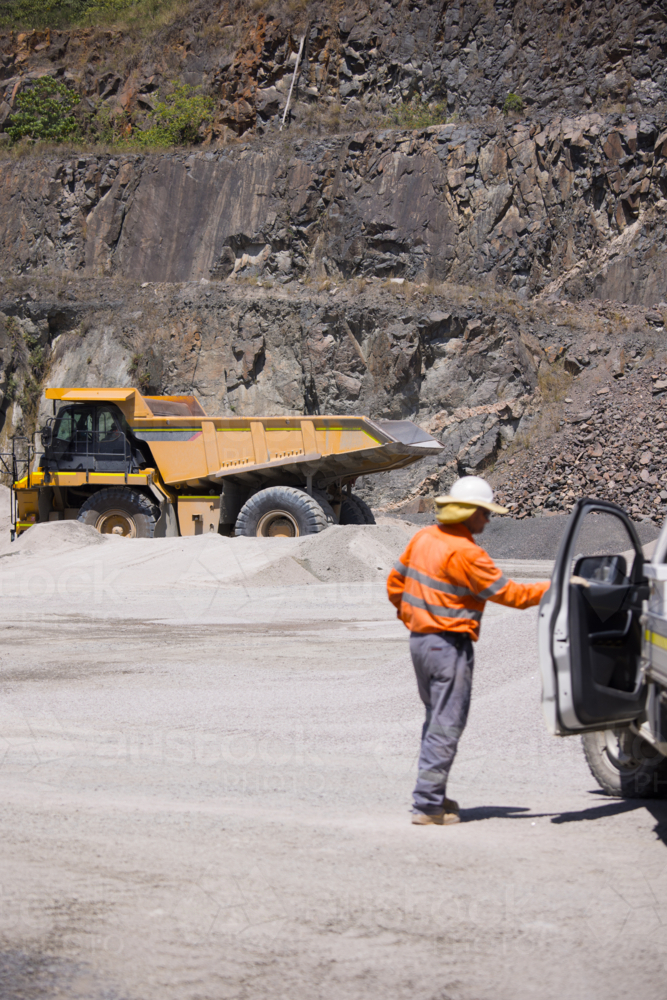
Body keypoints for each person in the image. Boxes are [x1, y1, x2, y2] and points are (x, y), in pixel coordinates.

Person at [386, 475, 550, 826]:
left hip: (420, 643)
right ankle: (428, 805)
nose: (489, 520)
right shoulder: (468, 553)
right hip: (448, 646)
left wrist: (414, 620)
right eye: (486, 513)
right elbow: (514, 596)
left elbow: (394, 583)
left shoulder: (423, 537)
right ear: (470, 512)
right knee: (446, 724)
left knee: (435, 719)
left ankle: (433, 794)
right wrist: (558, 586)